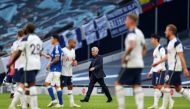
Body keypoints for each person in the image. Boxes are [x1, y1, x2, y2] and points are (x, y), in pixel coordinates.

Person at [7, 23, 43, 109]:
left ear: (27, 29)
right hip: (37, 64)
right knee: (31, 84)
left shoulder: (25, 39)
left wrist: (11, 62)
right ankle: (33, 106)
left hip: (27, 65)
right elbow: (41, 51)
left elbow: (18, 52)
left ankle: (13, 105)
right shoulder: (38, 39)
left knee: (21, 85)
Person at [115, 13, 147, 109]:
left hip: (130, 63)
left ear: (131, 21)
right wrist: (139, 57)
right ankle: (140, 107)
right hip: (139, 63)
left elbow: (132, 45)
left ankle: (121, 107)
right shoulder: (139, 32)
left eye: (126, 20)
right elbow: (144, 48)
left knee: (118, 83)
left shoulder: (131, 32)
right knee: (136, 85)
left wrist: (124, 56)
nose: (125, 22)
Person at [159, 24, 190, 109]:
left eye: (166, 30)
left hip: (175, 68)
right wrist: (158, 62)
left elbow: (181, 56)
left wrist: (185, 69)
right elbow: (168, 56)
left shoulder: (177, 42)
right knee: (178, 88)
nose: (165, 32)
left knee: (166, 85)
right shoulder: (170, 42)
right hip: (172, 67)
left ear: (171, 31)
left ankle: (164, 107)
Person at [147, 34, 174, 109]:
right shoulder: (155, 49)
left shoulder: (161, 48)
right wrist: (150, 72)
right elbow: (154, 62)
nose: (151, 40)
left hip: (160, 70)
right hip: (155, 71)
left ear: (156, 39)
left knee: (159, 86)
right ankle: (155, 104)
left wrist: (161, 68)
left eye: (152, 39)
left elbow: (164, 58)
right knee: (155, 87)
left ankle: (170, 98)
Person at [44, 34, 63, 108]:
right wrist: (49, 57)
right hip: (56, 70)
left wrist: (49, 64)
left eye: (51, 38)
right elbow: (55, 57)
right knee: (57, 86)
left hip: (55, 70)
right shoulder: (56, 47)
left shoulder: (57, 47)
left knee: (47, 83)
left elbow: (57, 58)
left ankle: (54, 100)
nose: (50, 40)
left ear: (55, 39)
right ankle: (60, 103)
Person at [60, 39, 81, 107]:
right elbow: (59, 60)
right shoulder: (63, 50)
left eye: (75, 43)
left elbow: (73, 60)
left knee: (70, 86)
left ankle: (72, 103)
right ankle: (59, 102)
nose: (75, 44)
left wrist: (74, 62)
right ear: (69, 43)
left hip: (70, 72)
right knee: (61, 87)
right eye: (73, 43)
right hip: (63, 72)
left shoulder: (73, 51)